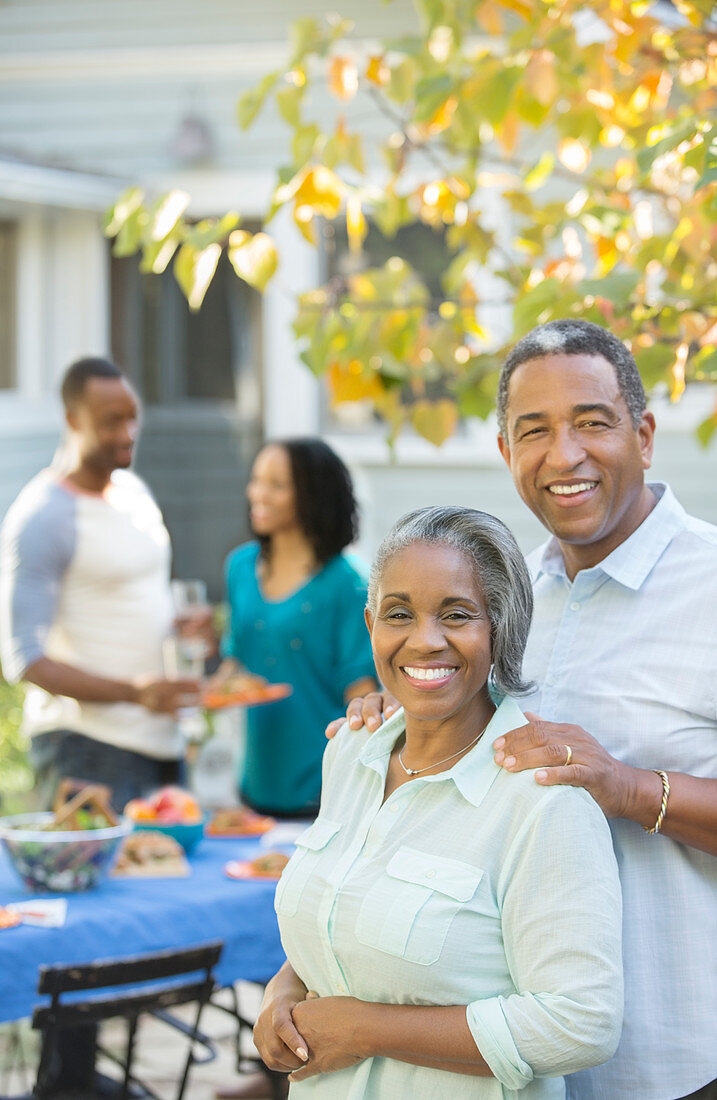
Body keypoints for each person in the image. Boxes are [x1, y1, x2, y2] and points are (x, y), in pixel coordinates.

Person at [331, 319, 717, 1100]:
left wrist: (630, 788)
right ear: (505, 452)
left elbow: (614, 787)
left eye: (592, 423)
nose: (563, 455)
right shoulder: (503, 601)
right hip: (513, 1065)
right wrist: (401, 705)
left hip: (681, 1055)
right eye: (532, 430)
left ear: (642, 435)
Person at [253, 505, 623, 1097]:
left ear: (499, 630)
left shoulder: (543, 799)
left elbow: (581, 1025)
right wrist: (284, 991)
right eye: (400, 614)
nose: (425, 641)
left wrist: (369, 1030)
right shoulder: (349, 756)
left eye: (456, 615)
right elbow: (348, 917)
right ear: (371, 623)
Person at [0, 357, 199, 817]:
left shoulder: (135, 494)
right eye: (111, 422)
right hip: (87, 750)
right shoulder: (43, 516)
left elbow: (133, 598)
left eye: (132, 418)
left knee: (164, 879)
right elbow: (24, 659)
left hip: (164, 742)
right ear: (73, 421)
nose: (128, 432)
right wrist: (134, 692)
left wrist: (181, 624)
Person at [209, 438, 377, 819]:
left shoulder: (349, 584)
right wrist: (204, 691)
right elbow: (236, 661)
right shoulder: (239, 566)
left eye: (277, 485)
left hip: (323, 790)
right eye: (256, 480)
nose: (258, 494)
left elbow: (361, 690)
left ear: (312, 495)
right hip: (253, 786)